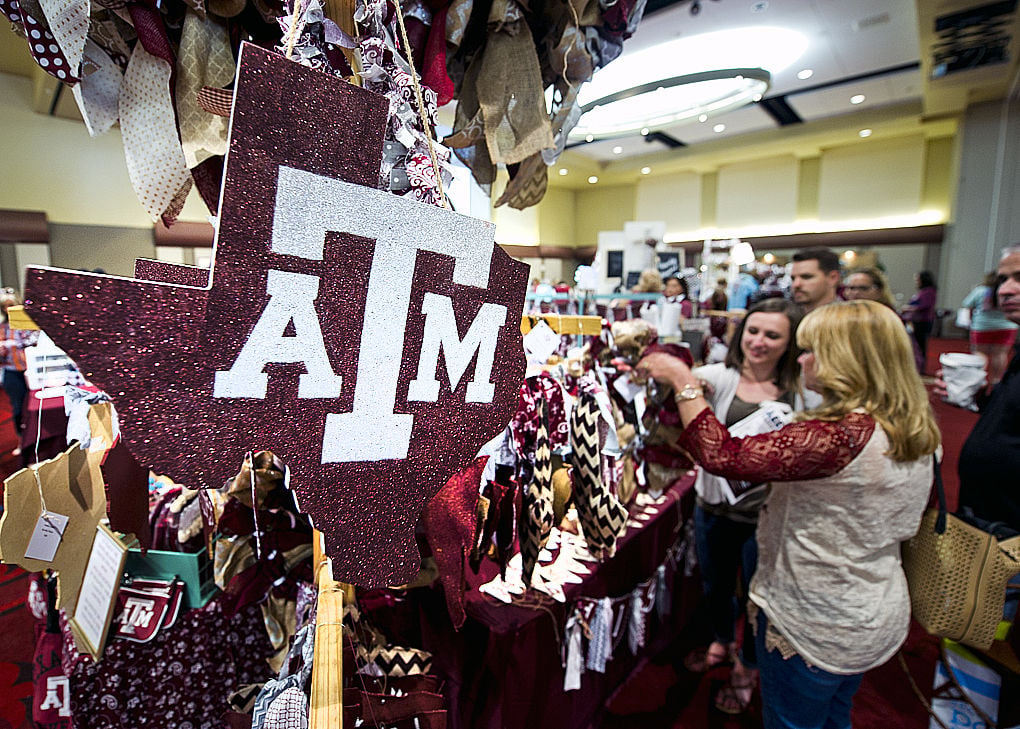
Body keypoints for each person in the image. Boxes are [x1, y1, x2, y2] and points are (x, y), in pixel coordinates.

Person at [639, 300, 939, 729]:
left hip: (815, 618)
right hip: (873, 605)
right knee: (835, 715)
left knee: (793, 719)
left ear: (845, 361)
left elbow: (721, 454)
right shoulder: (909, 422)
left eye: (811, 349)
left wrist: (683, 378)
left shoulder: (839, 436)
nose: (802, 359)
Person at [682, 298, 815, 714]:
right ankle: (722, 640)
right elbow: (674, 375)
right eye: (753, 331)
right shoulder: (720, 375)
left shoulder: (803, 390)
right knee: (716, 587)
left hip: (767, 517)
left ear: (790, 342)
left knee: (762, 600)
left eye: (772, 335)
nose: (758, 342)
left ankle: (749, 667)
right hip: (713, 507)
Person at [952, 246, 1020, 531]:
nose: (1005, 290)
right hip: (989, 516)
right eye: (1002, 280)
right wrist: (983, 401)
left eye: (1018, 278)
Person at [961, 271, 1018, 385]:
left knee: (980, 353)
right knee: (1000, 354)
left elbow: (967, 304)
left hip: (982, 327)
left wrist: (971, 322)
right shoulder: (1010, 292)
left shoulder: (980, 291)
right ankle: (996, 381)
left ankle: (978, 381)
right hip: (1006, 327)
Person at [0, 290, 33, 456]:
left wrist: (20, 343)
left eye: (10, 305)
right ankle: (22, 441)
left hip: (29, 369)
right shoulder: (2, 328)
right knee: (18, 408)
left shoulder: (26, 324)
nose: (7, 309)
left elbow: (34, 341)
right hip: (11, 371)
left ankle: (36, 440)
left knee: (33, 407)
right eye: (4, 306)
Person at [901, 270, 937, 373]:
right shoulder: (923, 291)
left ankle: (920, 367)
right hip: (917, 320)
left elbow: (923, 306)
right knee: (917, 344)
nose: (916, 281)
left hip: (923, 321)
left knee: (920, 345)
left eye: (918, 279)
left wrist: (908, 308)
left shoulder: (929, 291)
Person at [790, 248, 841, 312]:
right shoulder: (789, 318)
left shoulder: (850, 318)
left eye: (806, 277)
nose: (796, 284)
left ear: (833, 278)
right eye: (793, 278)